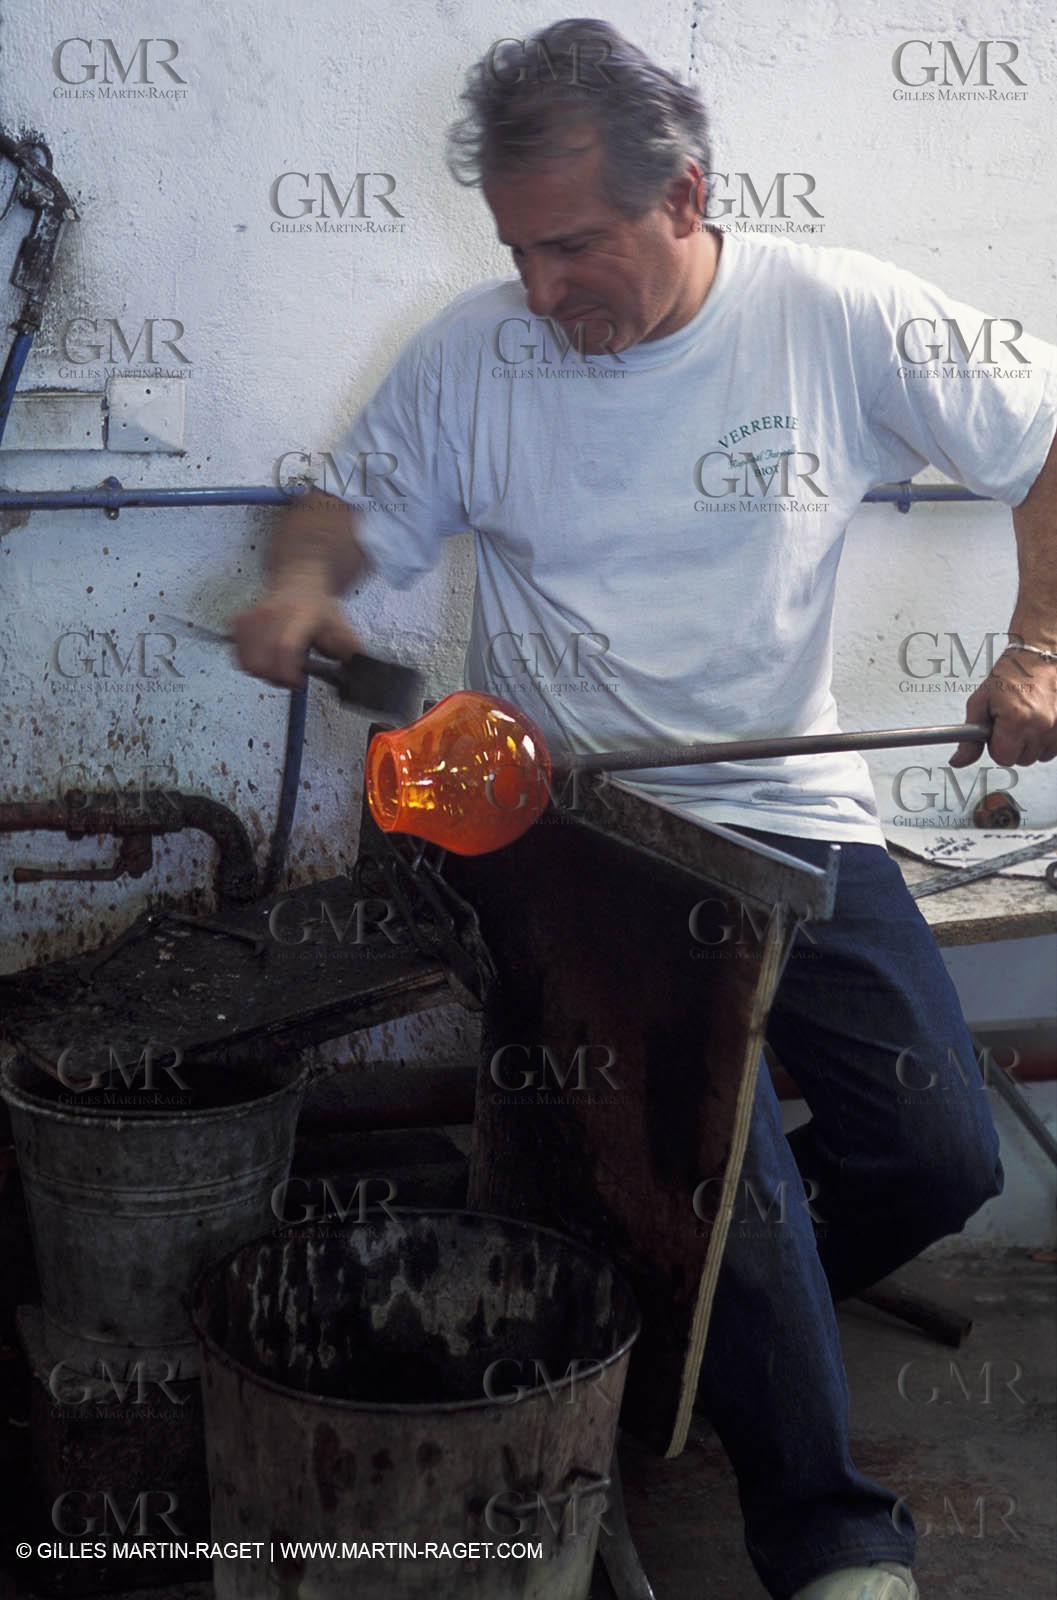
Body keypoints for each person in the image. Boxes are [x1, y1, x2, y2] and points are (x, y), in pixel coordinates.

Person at [234, 20, 1057, 1600]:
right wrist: (294, 585)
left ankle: (667, 1320)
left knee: (937, 1152)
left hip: (786, 810)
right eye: (517, 252)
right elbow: (350, 507)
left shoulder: (831, 311)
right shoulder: (473, 349)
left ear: (687, 194)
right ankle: (827, 1541)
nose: (540, 293)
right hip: (568, 829)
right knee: (710, 1144)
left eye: (573, 247)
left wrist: (1036, 646)